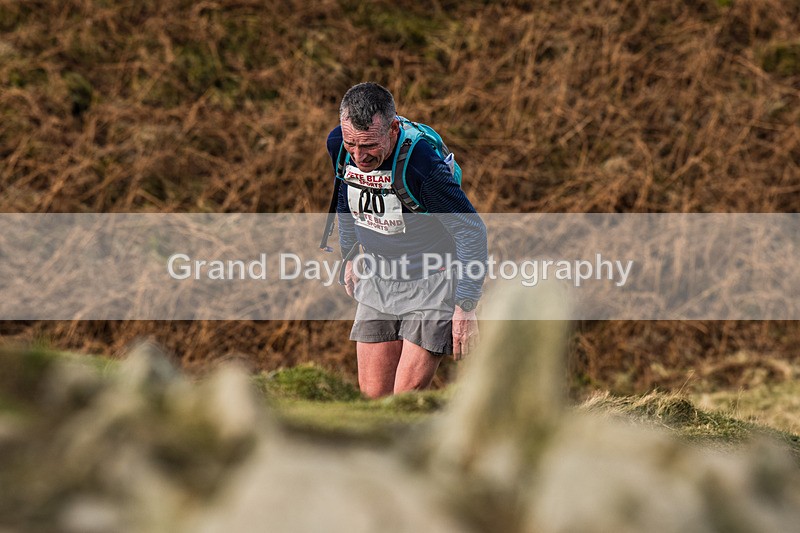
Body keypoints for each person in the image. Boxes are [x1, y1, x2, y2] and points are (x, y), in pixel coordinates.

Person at [326, 82, 487, 398]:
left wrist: (466, 304)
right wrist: (351, 253)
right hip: (378, 275)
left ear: (393, 128)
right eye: (351, 144)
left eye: (369, 145)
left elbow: (471, 231)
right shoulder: (339, 145)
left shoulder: (421, 166)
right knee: (373, 397)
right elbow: (347, 196)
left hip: (432, 281)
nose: (359, 155)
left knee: (404, 397)